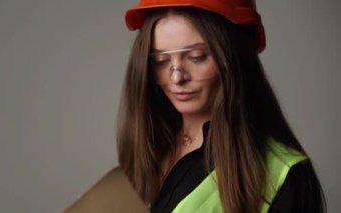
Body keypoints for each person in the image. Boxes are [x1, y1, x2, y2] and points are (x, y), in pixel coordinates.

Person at [117, 0, 326, 212]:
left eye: (196, 57)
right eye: (161, 61)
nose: (176, 76)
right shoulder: (149, 145)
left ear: (233, 56)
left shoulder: (283, 175)